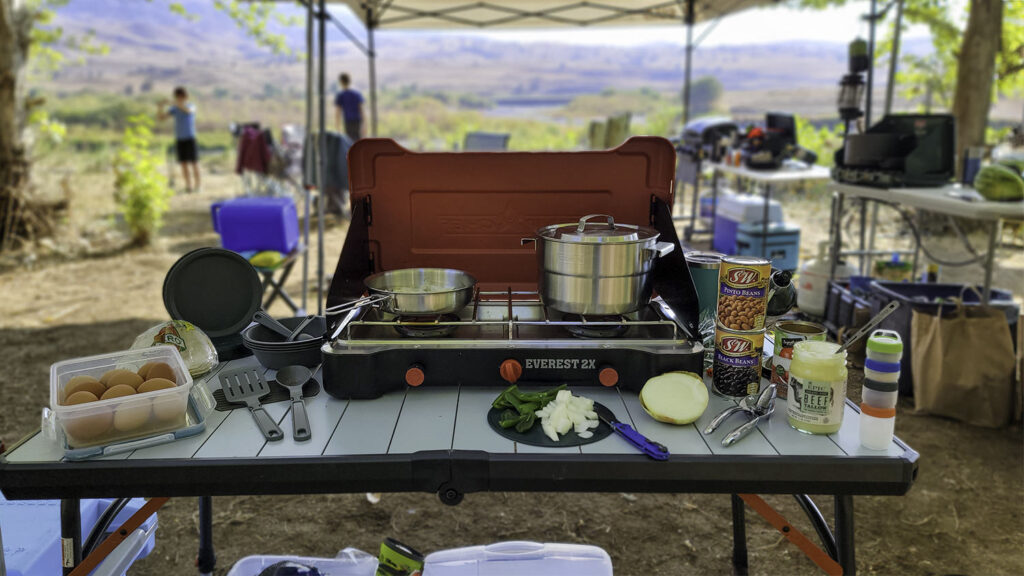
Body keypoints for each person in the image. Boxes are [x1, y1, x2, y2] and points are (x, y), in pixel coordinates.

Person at [157, 87, 201, 193]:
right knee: (183, 164)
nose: (179, 98)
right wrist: (160, 107)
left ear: (186, 97)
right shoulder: (174, 109)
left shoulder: (191, 106)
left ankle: (198, 186)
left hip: (190, 138)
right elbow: (161, 118)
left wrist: (173, 103)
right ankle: (188, 186)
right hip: (180, 139)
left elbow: (187, 111)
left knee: (194, 163)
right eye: (177, 97)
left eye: (181, 96)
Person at [334, 73, 365, 141]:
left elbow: (338, 112)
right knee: (358, 141)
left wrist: (337, 127)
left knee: (349, 142)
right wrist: (364, 125)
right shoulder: (357, 93)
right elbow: (362, 110)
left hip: (348, 121)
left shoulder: (341, 95)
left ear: (341, 82)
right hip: (357, 121)